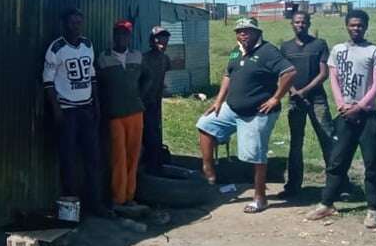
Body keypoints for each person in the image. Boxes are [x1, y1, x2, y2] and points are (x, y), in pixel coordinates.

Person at [195, 17, 295, 213]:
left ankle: (260, 197)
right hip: (232, 108)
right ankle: (209, 174)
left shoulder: (268, 51)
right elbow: (227, 75)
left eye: (247, 31)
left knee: (255, 155)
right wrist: (218, 101)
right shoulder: (236, 50)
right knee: (205, 124)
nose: (243, 34)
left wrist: (276, 98)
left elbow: (289, 72)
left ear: (258, 32)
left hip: (257, 112)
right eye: (239, 31)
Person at [307, 9, 376, 229]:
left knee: (371, 163)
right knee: (336, 161)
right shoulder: (338, 50)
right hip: (344, 114)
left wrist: (360, 106)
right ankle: (327, 203)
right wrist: (341, 104)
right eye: (352, 25)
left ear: (366, 27)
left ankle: (373, 208)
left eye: (360, 25)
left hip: (368, 115)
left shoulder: (375, 51)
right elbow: (333, 78)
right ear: (346, 26)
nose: (356, 29)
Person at [43, 8, 109, 218]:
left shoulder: (87, 44)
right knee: (68, 159)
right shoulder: (56, 48)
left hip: (87, 109)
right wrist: (56, 110)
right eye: (72, 23)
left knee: (93, 157)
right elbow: (48, 82)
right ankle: (71, 207)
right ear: (64, 24)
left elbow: (92, 76)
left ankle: (95, 203)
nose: (76, 26)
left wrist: (96, 103)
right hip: (68, 110)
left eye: (79, 22)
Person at [278, 11, 336, 199]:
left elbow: (323, 73)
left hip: (317, 99)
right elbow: (283, 73)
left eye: (304, 22)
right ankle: (293, 186)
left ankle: (337, 184)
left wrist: (305, 91)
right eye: (297, 22)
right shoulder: (285, 47)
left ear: (309, 23)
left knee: (327, 140)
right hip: (295, 100)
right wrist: (293, 91)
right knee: (296, 143)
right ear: (291, 24)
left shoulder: (319, 44)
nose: (300, 25)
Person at [96, 19, 146, 211]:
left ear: (129, 37)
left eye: (125, 34)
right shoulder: (103, 58)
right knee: (118, 156)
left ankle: (130, 195)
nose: (121, 37)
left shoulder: (137, 56)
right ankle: (118, 198)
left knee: (134, 155)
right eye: (118, 34)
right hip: (115, 114)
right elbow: (97, 85)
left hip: (135, 112)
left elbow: (146, 78)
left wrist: (140, 95)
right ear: (113, 36)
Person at [140, 26, 173, 176]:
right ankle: (148, 169)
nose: (162, 41)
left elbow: (162, 79)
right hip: (142, 103)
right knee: (147, 136)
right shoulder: (143, 59)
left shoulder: (165, 59)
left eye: (165, 38)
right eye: (158, 38)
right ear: (152, 41)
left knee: (155, 134)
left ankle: (155, 166)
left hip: (155, 102)